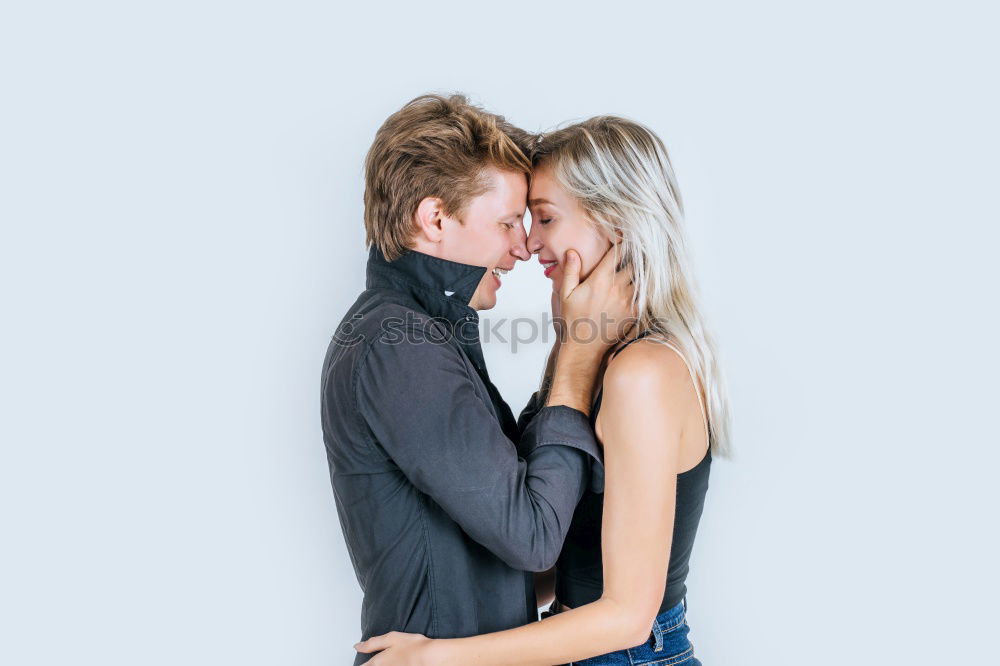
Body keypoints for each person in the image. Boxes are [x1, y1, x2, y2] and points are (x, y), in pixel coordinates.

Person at [355, 116, 733, 665]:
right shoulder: (608, 359)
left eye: (545, 219)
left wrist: (432, 657)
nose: (530, 245)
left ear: (617, 222)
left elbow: (628, 616)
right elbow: (556, 553)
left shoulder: (643, 374)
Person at [321, 95, 635, 665]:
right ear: (435, 218)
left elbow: (517, 543)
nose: (522, 247)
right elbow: (533, 537)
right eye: (508, 222)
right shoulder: (397, 345)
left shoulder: (425, 333)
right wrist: (578, 361)